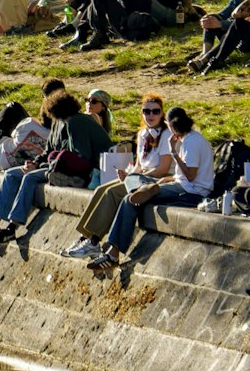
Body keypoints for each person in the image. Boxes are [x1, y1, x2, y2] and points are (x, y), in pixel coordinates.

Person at [0, 92, 110, 244]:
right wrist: (34, 163)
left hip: (84, 171)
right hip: (57, 165)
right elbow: (48, 151)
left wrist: (41, 167)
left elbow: (82, 156)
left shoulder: (77, 122)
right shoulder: (58, 123)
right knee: (11, 174)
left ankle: (11, 227)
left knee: (30, 177)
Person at [88, 106, 213, 276]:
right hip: (182, 186)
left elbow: (191, 176)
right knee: (132, 179)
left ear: (169, 124)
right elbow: (184, 176)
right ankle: (143, 188)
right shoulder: (191, 139)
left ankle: (112, 254)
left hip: (192, 194)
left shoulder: (191, 142)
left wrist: (174, 153)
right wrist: (165, 179)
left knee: (129, 199)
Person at [58, 93, 174, 263]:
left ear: (162, 113)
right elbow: (139, 165)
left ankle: (94, 241)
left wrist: (136, 176)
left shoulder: (166, 135)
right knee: (102, 189)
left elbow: (163, 169)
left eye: (155, 111)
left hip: (157, 181)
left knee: (113, 193)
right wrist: (129, 173)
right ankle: (84, 237)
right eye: (146, 111)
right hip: (141, 178)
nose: (150, 115)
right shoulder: (143, 134)